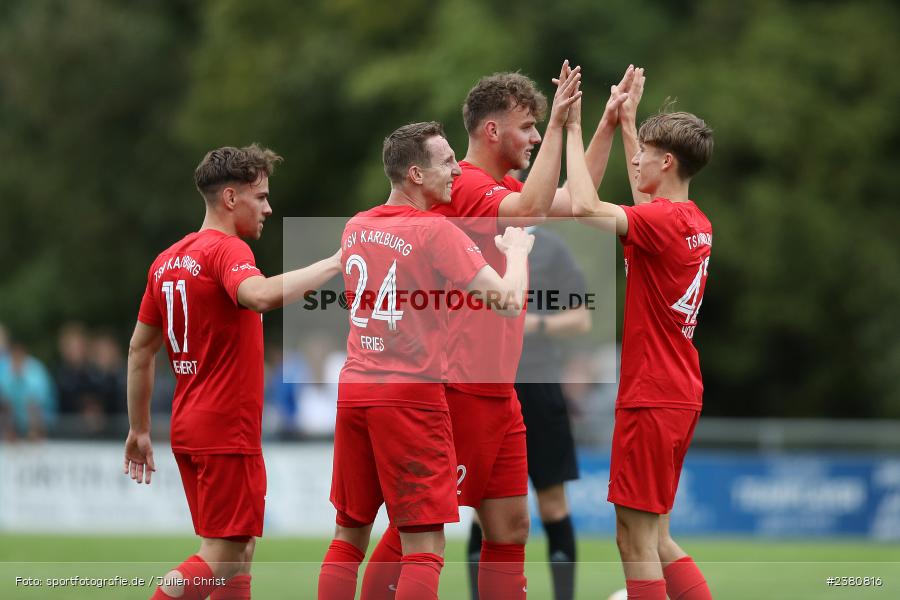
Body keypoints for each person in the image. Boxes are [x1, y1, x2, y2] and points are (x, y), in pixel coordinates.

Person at [363, 61, 636, 600]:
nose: (535, 136)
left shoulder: (500, 185)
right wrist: (560, 125)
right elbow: (534, 207)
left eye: (539, 126)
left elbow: (572, 203)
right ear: (493, 131)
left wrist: (602, 125)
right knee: (413, 530)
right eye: (527, 126)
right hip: (459, 386)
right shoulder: (460, 185)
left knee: (510, 528)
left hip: (499, 389)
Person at [317, 121, 535, 600]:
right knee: (424, 544)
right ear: (416, 174)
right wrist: (516, 252)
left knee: (348, 535)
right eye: (447, 162)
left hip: (355, 389)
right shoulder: (436, 231)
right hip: (410, 397)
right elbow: (508, 300)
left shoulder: (357, 225)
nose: (458, 170)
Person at [124, 144, 342, 600]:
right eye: (259, 196)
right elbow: (258, 295)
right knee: (220, 557)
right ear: (229, 198)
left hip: (190, 424)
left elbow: (140, 350)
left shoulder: (166, 260)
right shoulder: (227, 250)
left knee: (238, 554)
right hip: (226, 428)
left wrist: (140, 429)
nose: (267, 207)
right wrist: (334, 263)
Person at [568, 69, 715, 600]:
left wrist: (570, 129)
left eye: (647, 153)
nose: (638, 160)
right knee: (657, 536)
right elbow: (646, 200)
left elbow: (583, 208)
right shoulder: (690, 218)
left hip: (651, 394)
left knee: (634, 539)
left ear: (668, 162)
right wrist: (630, 124)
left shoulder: (663, 222)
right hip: (678, 390)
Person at [467, 225, 591, 600]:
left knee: (552, 502)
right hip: (485, 386)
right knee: (481, 508)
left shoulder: (551, 247)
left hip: (538, 386)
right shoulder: (472, 241)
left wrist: (529, 321)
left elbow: (580, 318)